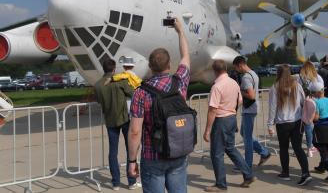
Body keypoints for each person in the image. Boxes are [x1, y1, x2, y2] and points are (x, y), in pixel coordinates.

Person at [127, 18, 191, 193]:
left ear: (150, 67)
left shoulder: (140, 93)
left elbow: (134, 132)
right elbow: (185, 57)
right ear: (169, 65)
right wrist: (180, 32)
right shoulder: (180, 83)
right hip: (178, 152)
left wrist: (132, 161)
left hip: (152, 155)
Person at [203, 60, 255, 192]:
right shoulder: (234, 83)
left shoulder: (217, 86)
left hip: (221, 120)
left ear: (215, 71)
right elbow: (240, 101)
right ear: (225, 69)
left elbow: (212, 109)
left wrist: (207, 130)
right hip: (231, 117)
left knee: (217, 153)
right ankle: (247, 174)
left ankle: (221, 184)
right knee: (230, 148)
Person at [94, 59, 139, 191]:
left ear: (104, 69)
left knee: (112, 152)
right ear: (114, 69)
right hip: (124, 119)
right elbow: (132, 93)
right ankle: (132, 181)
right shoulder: (119, 80)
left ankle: (116, 183)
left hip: (110, 121)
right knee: (131, 149)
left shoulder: (97, 85)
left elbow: (98, 100)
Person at [267, 65, 312, 185]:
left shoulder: (275, 87)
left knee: (283, 148)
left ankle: (285, 173)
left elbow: (272, 108)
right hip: (297, 121)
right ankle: (305, 173)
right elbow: (303, 101)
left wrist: (270, 125)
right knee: (298, 147)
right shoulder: (296, 85)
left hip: (282, 123)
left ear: (278, 73)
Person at [232, 56, 271, 169]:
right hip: (252, 108)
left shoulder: (246, 78)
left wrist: (239, 90)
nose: (236, 70)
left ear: (240, 65)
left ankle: (247, 164)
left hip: (249, 109)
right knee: (244, 133)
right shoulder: (253, 73)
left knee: (247, 138)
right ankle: (264, 152)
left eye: (236, 68)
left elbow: (251, 95)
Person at [309, 80, 328, 181]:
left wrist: (311, 119)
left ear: (317, 92)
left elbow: (316, 117)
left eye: (313, 92)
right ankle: (321, 167)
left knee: (323, 152)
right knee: (325, 149)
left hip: (320, 129)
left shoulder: (317, 103)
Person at [298, 61, 324, 157]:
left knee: (302, 125)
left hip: (303, 103)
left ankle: (300, 146)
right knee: (310, 125)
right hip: (314, 102)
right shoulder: (317, 78)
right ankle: (310, 146)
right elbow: (321, 91)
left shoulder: (300, 78)